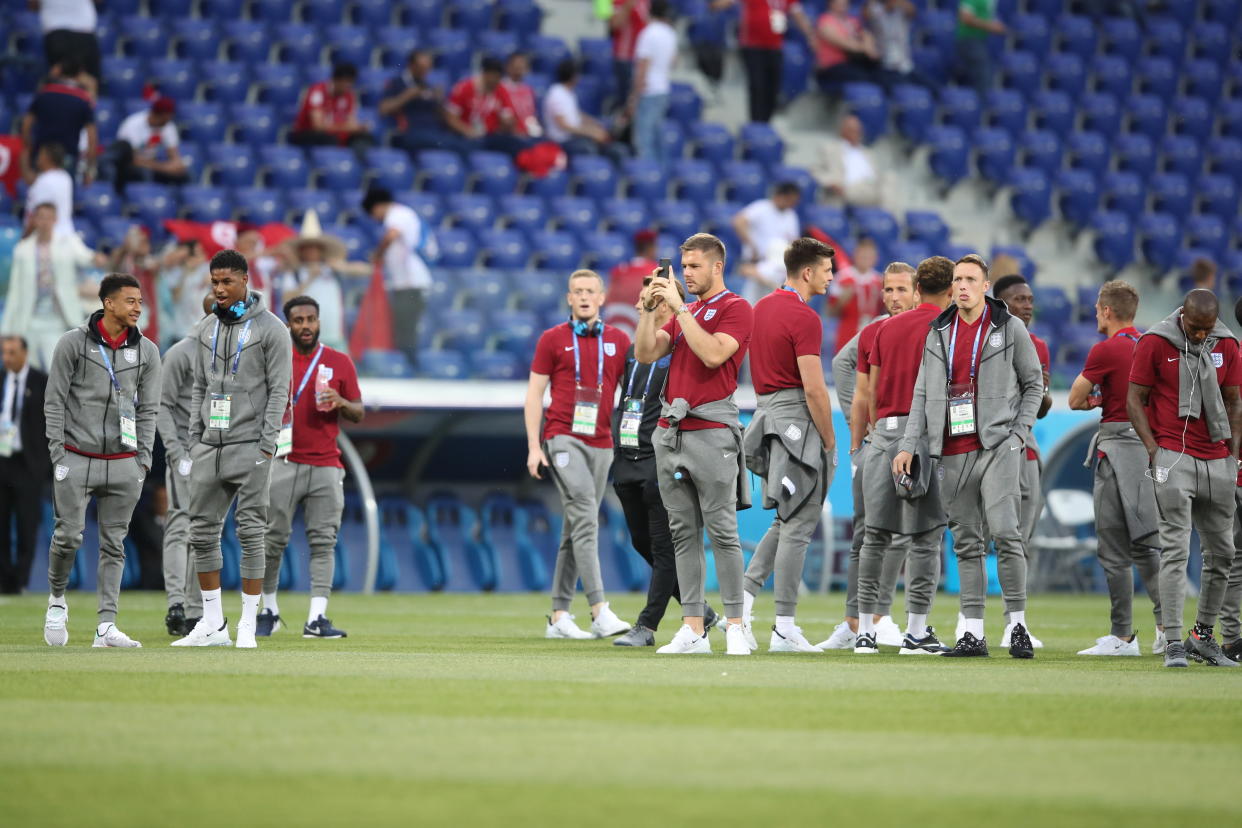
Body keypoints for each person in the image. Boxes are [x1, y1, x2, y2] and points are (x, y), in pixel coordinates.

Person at [893, 254, 1044, 658]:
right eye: (957, 279)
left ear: (984, 285)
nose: (962, 286)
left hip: (997, 447)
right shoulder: (938, 330)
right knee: (966, 542)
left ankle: (1018, 627)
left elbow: (1034, 384)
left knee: (1006, 534)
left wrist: (1018, 434)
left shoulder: (1009, 327)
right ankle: (973, 632)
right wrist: (909, 443)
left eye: (970, 279)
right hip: (952, 450)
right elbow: (922, 393)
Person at [635, 233, 754, 655]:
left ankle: (737, 625)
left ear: (717, 267)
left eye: (694, 266)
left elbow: (713, 355)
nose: (686, 274)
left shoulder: (736, 308)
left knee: (722, 532)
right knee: (683, 534)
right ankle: (693, 629)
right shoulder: (691, 311)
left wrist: (680, 308)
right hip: (673, 432)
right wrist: (649, 311)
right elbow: (647, 352)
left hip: (712, 431)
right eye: (683, 267)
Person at [172, 250, 292, 649]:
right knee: (200, 532)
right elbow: (200, 387)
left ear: (245, 280)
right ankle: (211, 622)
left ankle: (246, 622)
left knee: (251, 531)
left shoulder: (271, 328)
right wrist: (194, 437)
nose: (219, 289)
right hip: (210, 445)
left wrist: (267, 442)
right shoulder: (206, 328)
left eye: (227, 281)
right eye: (214, 282)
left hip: (250, 446)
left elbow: (280, 391)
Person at [42, 273, 161, 648]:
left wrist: (142, 460)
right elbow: (54, 401)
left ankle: (105, 626)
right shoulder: (72, 344)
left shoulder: (147, 351)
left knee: (115, 544)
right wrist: (57, 453)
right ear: (108, 303)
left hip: (124, 461)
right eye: (130, 301)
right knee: (68, 537)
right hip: (76, 456)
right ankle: (57, 600)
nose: (138, 308)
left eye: (140, 302)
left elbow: (151, 409)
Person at [1127, 289, 1242, 669]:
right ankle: (1173, 641)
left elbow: (1234, 401)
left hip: (1217, 458)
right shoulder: (1156, 342)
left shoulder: (1226, 343)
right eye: (1194, 328)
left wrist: (1232, 455)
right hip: (1174, 455)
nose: (1199, 335)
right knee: (1176, 549)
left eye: (1205, 329)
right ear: (1182, 317)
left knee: (1223, 552)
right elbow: (1135, 398)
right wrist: (1153, 448)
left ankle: (1203, 637)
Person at [854, 256, 957, 655]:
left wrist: (879, 434)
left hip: (884, 436)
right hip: (927, 439)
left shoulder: (885, 329)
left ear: (917, 290)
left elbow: (874, 392)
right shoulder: (948, 331)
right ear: (950, 291)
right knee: (926, 539)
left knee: (874, 538)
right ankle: (915, 632)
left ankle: (865, 632)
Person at [611, 276, 720, 646]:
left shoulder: (678, 350)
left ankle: (647, 626)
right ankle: (698, 609)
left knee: (663, 547)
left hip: (659, 456)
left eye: (651, 300)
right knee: (642, 542)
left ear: (667, 304)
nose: (643, 305)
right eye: (641, 299)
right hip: (627, 458)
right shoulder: (633, 351)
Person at [740, 238, 837, 652]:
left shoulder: (759, 308)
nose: (833, 276)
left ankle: (741, 605)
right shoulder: (805, 317)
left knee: (785, 520)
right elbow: (815, 389)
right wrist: (830, 441)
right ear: (808, 272)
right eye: (828, 269)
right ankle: (783, 626)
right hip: (797, 418)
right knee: (799, 526)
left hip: (767, 415)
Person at [524, 269, 632, 639]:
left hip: (602, 443)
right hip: (563, 437)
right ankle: (599, 609)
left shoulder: (619, 340)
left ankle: (558, 616)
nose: (584, 296)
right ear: (568, 298)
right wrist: (535, 447)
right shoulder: (552, 339)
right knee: (587, 515)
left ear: (602, 298)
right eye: (577, 291)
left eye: (590, 291)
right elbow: (534, 395)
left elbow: (631, 393)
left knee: (575, 527)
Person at [819, 262, 916, 650]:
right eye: (888, 291)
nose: (893, 298)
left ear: (917, 292)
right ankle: (858, 619)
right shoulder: (876, 328)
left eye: (900, 291)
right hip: (880, 441)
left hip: (913, 440)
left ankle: (878, 616)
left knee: (907, 532)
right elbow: (843, 365)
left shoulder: (927, 328)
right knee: (870, 530)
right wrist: (860, 424)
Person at [1067, 280, 1163, 657]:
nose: (1095, 314)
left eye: (1096, 309)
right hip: (1149, 450)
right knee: (1149, 544)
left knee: (1114, 549)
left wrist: (1098, 399)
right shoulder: (1151, 348)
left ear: (1107, 311)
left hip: (1116, 451)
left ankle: (1123, 636)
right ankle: (1166, 630)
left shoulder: (1105, 350)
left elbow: (1074, 398)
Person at [258, 296, 364, 639]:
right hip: (283, 460)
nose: (306, 326)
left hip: (326, 464)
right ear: (288, 324)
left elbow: (359, 412)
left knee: (323, 541)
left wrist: (342, 402)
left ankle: (316, 618)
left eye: (311, 319)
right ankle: (269, 610)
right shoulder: (275, 359)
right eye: (299, 320)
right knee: (272, 540)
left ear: (320, 322)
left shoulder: (339, 362)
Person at [157, 297, 211, 637]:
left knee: (207, 532)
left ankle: (197, 607)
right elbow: (161, 406)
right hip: (188, 457)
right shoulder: (180, 353)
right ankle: (179, 604)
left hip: (217, 455)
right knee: (181, 526)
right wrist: (177, 454)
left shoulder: (227, 354)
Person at [992, 275, 1052, 547]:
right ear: (1001, 303)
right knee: (981, 532)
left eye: (1030, 300)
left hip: (1024, 445)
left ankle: (1016, 591)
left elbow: (1041, 410)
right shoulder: (985, 341)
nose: (1028, 306)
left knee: (1022, 535)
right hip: (988, 444)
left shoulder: (1039, 346)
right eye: (1020, 299)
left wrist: (1041, 392)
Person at [2, 202, 100, 370]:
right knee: (27, 373)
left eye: (49, 218)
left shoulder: (67, 244)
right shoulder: (22, 250)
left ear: (55, 220)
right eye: (41, 217)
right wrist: (6, 330)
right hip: (29, 321)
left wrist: (101, 258)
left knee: (55, 370)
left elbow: (88, 258)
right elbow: (15, 292)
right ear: (34, 220)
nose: (45, 222)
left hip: (56, 319)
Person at [362, 188, 436, 370]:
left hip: (411, 282)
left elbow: (391, 235)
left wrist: (378, 254)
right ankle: (408, 365)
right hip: (405, 282)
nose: (375, 219)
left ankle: (411, 367)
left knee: (406, 328)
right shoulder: (403, 214)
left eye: (373, 213)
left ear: (377, 207)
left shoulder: (398, 214)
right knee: (404, 327)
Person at [0, 337, 50, 595]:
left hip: (28, 464)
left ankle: (20, 580)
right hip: (3, 461)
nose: (6, 358)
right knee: (2, 523)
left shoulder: (41, 381)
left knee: (26, 524)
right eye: (4, 353)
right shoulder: (1, 379)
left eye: (12, 352)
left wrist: (43, 464)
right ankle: (4, 579)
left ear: (25, 353)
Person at [712, 0, 815, 123]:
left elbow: (797, 14)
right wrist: (716, 5)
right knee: (757, 85)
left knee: (773, 86)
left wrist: (811, 35)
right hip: (752, 45)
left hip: (775, 46)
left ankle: (766, 122)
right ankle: (756, 122)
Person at [273, 211, 350, 351]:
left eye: (315, 248)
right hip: (306, 338)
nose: (311, 252)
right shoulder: (294, 273)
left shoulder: (333, 270)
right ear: (301, 251)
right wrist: (309, 279)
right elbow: (286, 300)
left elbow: (364, 270)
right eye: (307, 249)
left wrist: (340, 266)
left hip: (334, 336)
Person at [380, 49, 474, 158]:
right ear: (411, 65)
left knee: (466, 144)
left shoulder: (428, 86)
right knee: (451, 145)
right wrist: (407, 96)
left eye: (428, 67)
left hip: (435, 131)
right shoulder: (397, 83)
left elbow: (443, 114)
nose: (426, 71)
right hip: (412, 131)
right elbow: (383, 109)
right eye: (422, 67)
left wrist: (440, 100)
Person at [20, 58, 96, 184]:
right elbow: (92, 138)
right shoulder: (83, 100)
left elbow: (26, 125)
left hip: (41, 154)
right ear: (79, 75)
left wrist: (29, 147)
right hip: (67, 157)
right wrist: (90, 168)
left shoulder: (44, 94)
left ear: (60, 72)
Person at [544, 59, 627, 163]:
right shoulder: (556, 94)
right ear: (573, 76)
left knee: (613, 145)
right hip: (563, 141)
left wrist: (596, 124)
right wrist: (591, 133)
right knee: (590, 148)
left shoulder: (569, 93)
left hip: (575, 136)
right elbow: (563, 125)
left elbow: (576, 115)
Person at [446, 57, 533, 156]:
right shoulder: (464, 88)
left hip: (490, 136)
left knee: (518, 144)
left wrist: (507, 123)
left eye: (498, 78)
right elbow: (450, 118)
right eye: (493, 77)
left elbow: (507, 117)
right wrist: (467, 131)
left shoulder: (500, 90)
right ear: (484, 74)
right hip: (465, 136)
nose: (495, 81)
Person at [733, 181, 802, 306]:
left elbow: (794, 241)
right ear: (781, 196)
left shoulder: (791, 215)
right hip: (756, 261)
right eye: (790, 200)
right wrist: (751, 245)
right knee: (750, 302)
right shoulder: (762, 207)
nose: (792, 204)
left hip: (777, 265)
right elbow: (738, 222)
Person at [628, 0, 677, 167]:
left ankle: (648, 174)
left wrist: (634, 95)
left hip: (649, 90)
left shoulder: (648, 34)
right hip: (663, 88)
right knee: (656, 135)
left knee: (643, 138)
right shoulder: (670, 33)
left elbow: (643, 67)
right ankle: (662, 171)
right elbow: (674, 61)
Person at [107, 97, 189, 194]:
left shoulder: (168, 126)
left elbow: (174, 155)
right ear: (159, 115)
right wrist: (163, 167)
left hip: (152, 164)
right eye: (167, 116)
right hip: (129, 165)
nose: (170, 119)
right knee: (144, 172)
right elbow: (132, 159)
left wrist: (176, 165)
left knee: (183, 175)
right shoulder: (133, 124)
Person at [291, 63, 372, 153]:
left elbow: (351, 122)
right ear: (336, 80)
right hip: (307, 133)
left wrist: (358, 128)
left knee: (364, 139)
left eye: (351, 83)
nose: (348, 86)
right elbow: (318, 126)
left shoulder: (349, 96)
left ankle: (356, 165)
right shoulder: (318, 92)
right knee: (329, 139)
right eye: (346, 82)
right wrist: (348, 128)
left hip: (334, 134)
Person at [828, 236, 883, 352]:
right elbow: (831, 313)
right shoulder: (842, 278)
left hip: (871, 339)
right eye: (863, 256)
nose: (865, 259)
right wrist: (842, 301)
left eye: (869, 257)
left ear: (875, 258)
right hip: (846, 338)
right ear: (855, 255)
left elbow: (884, 313)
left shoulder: (880, 281)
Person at [814, 114, 882, 207]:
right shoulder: (830, 149)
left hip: (869, 189)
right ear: (843, 131)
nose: (856, 133)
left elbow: (876, 176)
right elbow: (816, 171)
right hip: (844, 188)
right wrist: (830, 182)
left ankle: (891, 219)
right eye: (852, 130)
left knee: (889, 182)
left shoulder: (868, 153)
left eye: (858, 130)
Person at [814, 0, 880, 92]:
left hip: (853, 62)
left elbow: (866, 34)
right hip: (833, 65)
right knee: (863, 77)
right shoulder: (825, 21)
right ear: (831, 4)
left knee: (879, 73)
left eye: (845, 3)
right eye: (839, 4)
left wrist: (869, 46)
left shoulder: (851, 20)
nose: (843, 6)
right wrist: (866, 49)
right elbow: (843, 43)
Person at [604, 228, 659, 335]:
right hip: (641, 331)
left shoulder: (619, 271)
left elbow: (607, 299)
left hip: (614, 327)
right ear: (651, 248)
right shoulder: (655, 271)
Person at [955, 0, 1006, 100]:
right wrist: (991, 26)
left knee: (975, 78)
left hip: (981, 40)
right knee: (984, 77)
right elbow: (965, 17)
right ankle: (982, 109)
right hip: (969, 39)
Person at [864, 0, 921, 90]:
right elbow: (866, 14)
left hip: (906, 66)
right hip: (885, 66)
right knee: (908, 92)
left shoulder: (901, 11)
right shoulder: (876, 10)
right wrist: (886, 6)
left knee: (935, 89)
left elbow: (912, 11)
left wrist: (898, 3)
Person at [24, 142, 74, 236]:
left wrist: (25, 237)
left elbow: (38, 215)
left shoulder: (43, 181)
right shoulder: (66, 177)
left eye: (41, 154)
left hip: (48, 237)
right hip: (67, 234)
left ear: (48, 158)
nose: (38, 157)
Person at [609, 0, 650, 110]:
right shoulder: (619, 1)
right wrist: (626, 7)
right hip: (625, 57)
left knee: (639, 100)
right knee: (626, 100)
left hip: (641, 57)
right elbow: (614, 24)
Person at [499, 52, 542, 139]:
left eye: (522, 65)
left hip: (531, 133)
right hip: (512, 135)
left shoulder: (528, 89)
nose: (520, 68)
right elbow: (503, 117)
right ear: (508, 67)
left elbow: (533, 114)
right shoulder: (501, 88)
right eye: (516, 66)